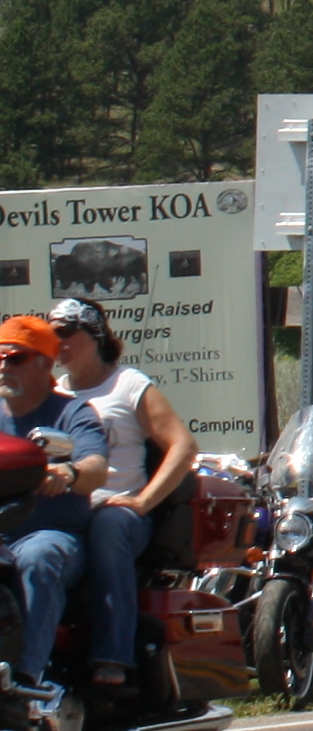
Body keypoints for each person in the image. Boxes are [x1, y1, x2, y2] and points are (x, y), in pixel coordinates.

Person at [48, 296, 184, 707]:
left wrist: (142, 502)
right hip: (66, 509)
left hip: (120, 513)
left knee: (109, 524)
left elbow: (181, 446)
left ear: (95, 335)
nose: (58, 341)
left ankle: (113, 657)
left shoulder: (128, 384)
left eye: (66, 332)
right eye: (51, 333)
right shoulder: (52, 392)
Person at [1, 314, 108, 702]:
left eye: (16, 358)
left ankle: (25, 683)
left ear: (46, 362)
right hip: (2, 533)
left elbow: (96, 468)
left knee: (38, 556)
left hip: (51, 535)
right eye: (0, 357)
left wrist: (68, 470)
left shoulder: (72, 413)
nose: (4, 366)